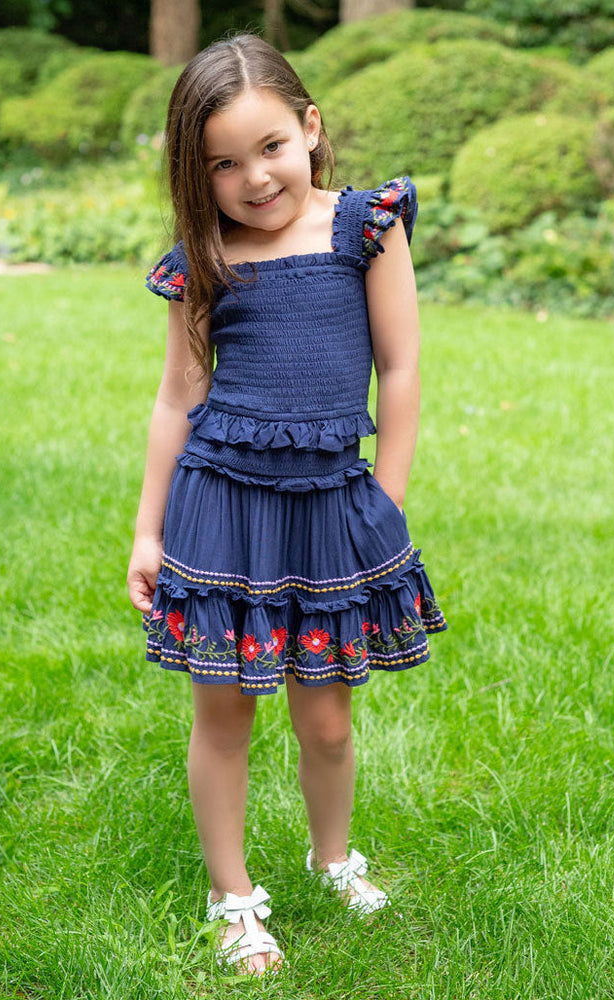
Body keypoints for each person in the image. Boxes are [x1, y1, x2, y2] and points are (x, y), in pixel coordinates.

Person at [127, 33, 447, 975]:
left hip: (328, 507)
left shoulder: (365, 227)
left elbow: (402, 367)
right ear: (198, 175)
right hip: (220, 506)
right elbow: (178, 397)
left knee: (328, 717)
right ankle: (233, 896)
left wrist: (383, 500)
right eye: (222, 164)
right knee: (223, 708)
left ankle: (332, 857)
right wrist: (148, 532)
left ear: (310, 127)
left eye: (270, 146)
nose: (254, 178)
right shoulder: (201, 258)